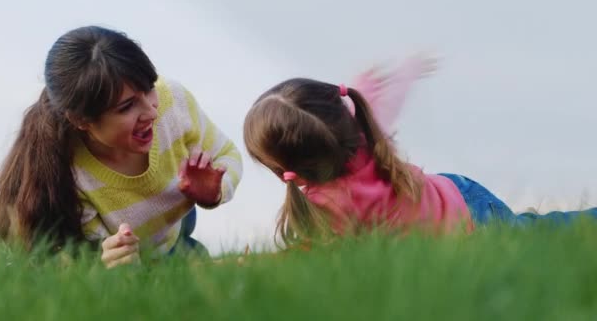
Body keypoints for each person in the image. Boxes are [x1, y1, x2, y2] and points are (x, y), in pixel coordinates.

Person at [243, 54, 597, 245]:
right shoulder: (363, 130)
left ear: (288, 171)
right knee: (534, 231)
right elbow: (376, 102)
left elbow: (307, 260)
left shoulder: (322, 211)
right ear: (342, 114)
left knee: (533, 238)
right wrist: (393, 77)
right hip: (461, 193)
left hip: (471, 220)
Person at [0, 26, 242, 267]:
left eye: (149, 88)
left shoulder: (173, 101)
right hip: (134, 250)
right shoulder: (69, 174)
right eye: (126, 107)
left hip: (176, 224)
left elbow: (227, 154)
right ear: (81, 121)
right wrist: (112, 257)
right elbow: (98, 259)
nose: (151, 112)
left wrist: (215, 190)